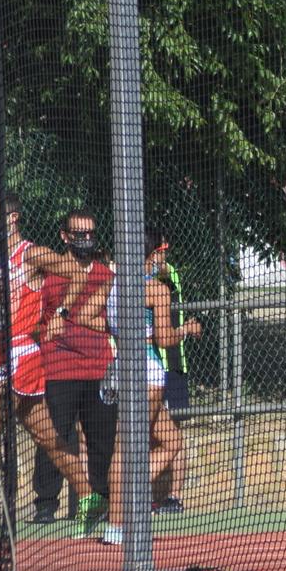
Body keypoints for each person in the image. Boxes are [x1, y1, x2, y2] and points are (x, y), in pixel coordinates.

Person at [0, 194, 100, 526]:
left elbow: (77, 274)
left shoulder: (31, 254)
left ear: (11, 219)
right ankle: (89, 496)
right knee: (48, 438)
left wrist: (61, 314)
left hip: (21, 353)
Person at [98, 227, 193, 547]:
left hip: (124, 370)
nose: (162, 260)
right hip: (148, 374)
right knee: (126, 449)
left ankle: (129, 500)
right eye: (159, 254)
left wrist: (141, 335)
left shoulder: (113, 285)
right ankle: (116, 522)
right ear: (150, 256)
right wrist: (187, 329)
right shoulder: (155, 290)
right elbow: (166, 339)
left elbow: (98, 320)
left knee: (171, 441)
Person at [39, 209, 118, 538]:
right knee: (56, 436)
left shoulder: (105, 275)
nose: (86, 239)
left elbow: (113, 317)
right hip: (59, 368)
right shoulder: (50, 273)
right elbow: (38, 318)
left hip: (98, 368)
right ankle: (45, 504)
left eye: (90, 233)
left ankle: (97, 501)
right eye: (78, 233)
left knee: (101, 440)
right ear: (64, 235)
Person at [146, 230, 198, 514]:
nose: (162, 256)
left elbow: (163, 269)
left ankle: (173, 496)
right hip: (147, 368)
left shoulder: (167, 276)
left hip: (172, 367)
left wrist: (152, 258)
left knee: (172, 433)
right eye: (158, 250)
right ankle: (146, 495)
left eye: (164, 250)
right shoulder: (134, 284)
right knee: (150, 434)